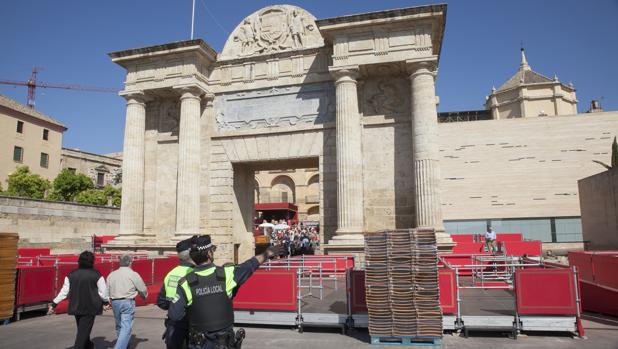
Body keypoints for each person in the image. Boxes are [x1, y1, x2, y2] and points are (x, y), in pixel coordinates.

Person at [168, 235, 284, 349]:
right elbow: (249, 265)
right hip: (224, 343)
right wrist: (267, 253)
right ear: (209, 254)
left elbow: (175, 315)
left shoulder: (185, 283)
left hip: (199, 343)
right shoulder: (226, 274)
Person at [48, 250, 110, 349]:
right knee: (82, 332)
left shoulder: (71, 275)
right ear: (92, 261)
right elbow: (103, 292)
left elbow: (64, 292)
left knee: (82, 330)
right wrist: (106, 302)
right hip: (90, 307)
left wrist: (54, 303)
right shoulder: (97, 275)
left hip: (76, 306)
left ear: (79, 261)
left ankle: (88, 345)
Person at [157, 238, 195, 349]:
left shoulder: (170, 274)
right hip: (191, 325)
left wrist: (173, 306)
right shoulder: (195, 273)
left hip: (173, 326)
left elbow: (161, 302)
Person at [107, 254, 148, 349]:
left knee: (119, 325)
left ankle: (124, 345)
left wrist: (107, 301)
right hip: (127, 301)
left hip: (115, 301)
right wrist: (144, 296)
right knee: (126, 327)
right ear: (130, 262)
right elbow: (142, 289)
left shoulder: (112, 274)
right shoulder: (133, 274)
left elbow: (107, 289)